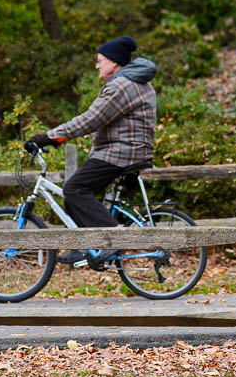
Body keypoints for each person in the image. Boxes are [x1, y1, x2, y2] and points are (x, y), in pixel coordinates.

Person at [24, 35, 157, 270]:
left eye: (99, 60)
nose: (97, 65)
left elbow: (90, 120)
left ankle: (114, 238)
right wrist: (57, 138)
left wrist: (49, 137)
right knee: (74, 190)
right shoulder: (134, 82)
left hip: (123, 151)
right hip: (129, 149)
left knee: (74, 188)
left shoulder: (121, 86)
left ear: (114, 63)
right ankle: (84, 246)